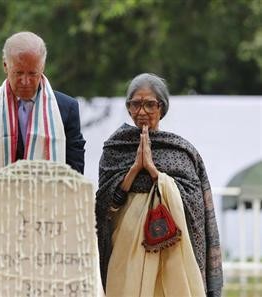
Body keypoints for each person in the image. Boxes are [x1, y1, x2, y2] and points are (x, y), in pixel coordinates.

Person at [0, 31, 85, 262]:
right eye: (19, 73)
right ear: (5, 66)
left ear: (43, 67)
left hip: (50, 226)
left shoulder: (66, 108)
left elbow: (74, 169)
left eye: (33, 73)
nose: (26, 81)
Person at [95, 73, 223, 297]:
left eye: (149, 105)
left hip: (171, 252)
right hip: (125, 249)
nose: (142, 111)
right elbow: (106, 206)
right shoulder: (115, 149)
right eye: (135, 104)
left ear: (162, 108)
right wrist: (135, 168)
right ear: (128, 108)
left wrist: (155, 172)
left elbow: (193, 208)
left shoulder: (181, 151)